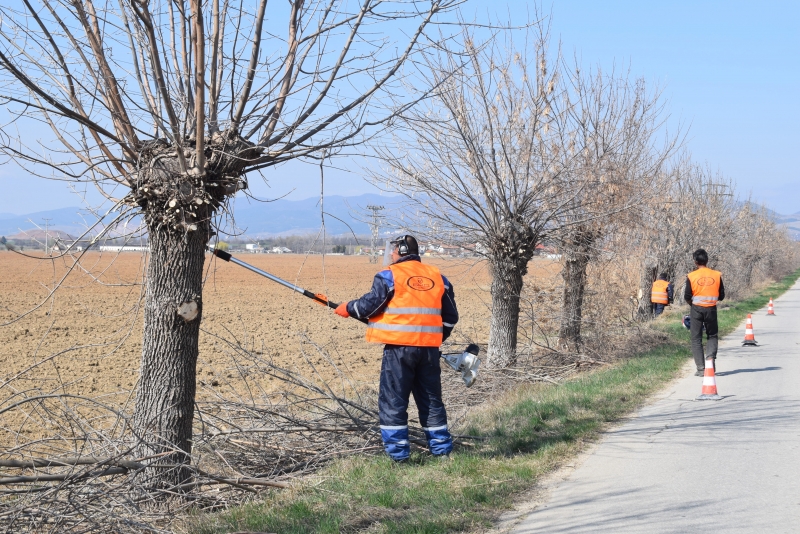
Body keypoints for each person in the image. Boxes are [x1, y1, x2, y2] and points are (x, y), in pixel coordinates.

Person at [334, 235, 458, 461]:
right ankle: (442, 453)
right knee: (431, 401)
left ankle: (399, 458)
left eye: (391, 251)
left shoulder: (389, 276)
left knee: (393, 401)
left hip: (398, 352)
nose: (389, 256)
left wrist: (348, 307)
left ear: (400, 251)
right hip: (429, 351)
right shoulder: (440, 278)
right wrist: (434, 338)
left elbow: (369, 306)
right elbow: (450, 318)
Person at [684, 249, 724, 376]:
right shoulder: (717, 275)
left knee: (696, 338)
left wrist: (693, 304)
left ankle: (701, 369)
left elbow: (687, 296)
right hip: (711, 309)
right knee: (712, 335)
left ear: (695, 261)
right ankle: (710, 364)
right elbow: (722, 295)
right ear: (707, 260)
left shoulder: (691, 276)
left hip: (696, 309)